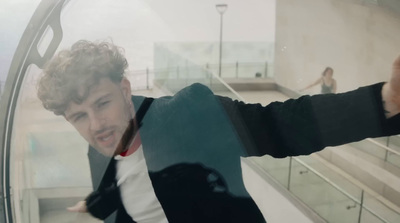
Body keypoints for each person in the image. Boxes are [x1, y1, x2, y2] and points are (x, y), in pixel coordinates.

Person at [37, 40, 400, 223]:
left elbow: (281, 124)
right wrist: (98, 203)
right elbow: (123, 186)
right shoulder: (96, 154)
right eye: (79, 117)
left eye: (102, 103)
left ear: (126, 90)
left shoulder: (189, 114)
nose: (96, 125)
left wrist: (383, 102)